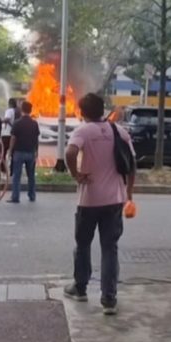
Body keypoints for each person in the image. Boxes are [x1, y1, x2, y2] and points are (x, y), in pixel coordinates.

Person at [63, 93, 135, 315]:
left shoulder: (83, 131)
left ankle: (81, 288)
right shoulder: (119, 131)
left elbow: (70, 151)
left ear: (82, 112)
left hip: (89, 200)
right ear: (102, 109)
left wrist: (76, 175)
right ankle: (109, 299)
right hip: (114, 200)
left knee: (83, 245)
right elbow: (131, 165)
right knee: (109, 248)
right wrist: (129, 193)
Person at [7, 101, 40, 204]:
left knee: (17, 175)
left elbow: (13, 138)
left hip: (19, 152)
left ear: (22, 109)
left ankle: (15, 197)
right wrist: (36, 151)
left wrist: (10, 150)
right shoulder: (34, 123)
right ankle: (32, 195)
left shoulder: (17, 123)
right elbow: (36, 139)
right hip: (30, 152)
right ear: (30, 110)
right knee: (31, 176)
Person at [1, 98, 21, 175]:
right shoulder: (18, 112)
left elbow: (7, 119)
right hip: (15, 135)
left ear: (10, 104)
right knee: (14, 153)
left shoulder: (9, 111)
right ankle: (12, 170)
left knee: (3, 152)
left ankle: (3, 169)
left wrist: (1, 122)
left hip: (7, 134)